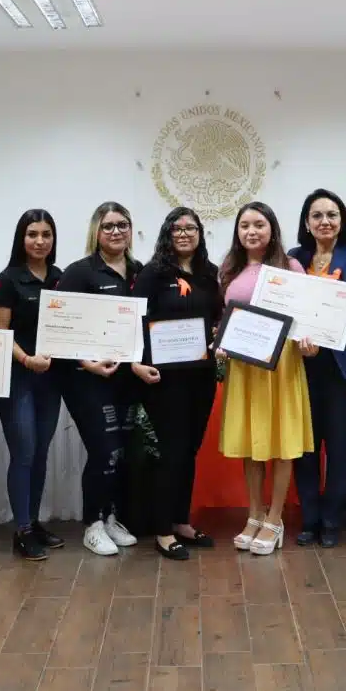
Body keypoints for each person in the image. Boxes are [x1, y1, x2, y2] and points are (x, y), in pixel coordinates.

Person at [219, 202, 317, 556]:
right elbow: (225, 321)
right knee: (252, 443)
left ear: (272, 229)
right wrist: (221, 343)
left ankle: (275, 519)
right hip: (244, 370)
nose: (251, 231)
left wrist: (310, 345)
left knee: (281, 442)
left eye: (259, 224)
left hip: (283, 367)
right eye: (244, 225)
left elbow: (307, 322)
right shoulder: (229, 269)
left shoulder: (290, 267)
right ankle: (254, 514)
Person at [287, 189, 346, 548]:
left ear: (342, 221)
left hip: (342, 370)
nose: (325, 222)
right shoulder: (294, 259)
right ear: (307, 224)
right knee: (305, 448)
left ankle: (331, 521)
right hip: (300, 368)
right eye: (317, 216)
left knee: (339, 450)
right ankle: (309, 519)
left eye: (332, 215)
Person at [131, 207, 223, 560]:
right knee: (172, 451)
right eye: (177, 228)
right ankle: (163, 530)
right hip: (163, 378)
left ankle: (181, 520)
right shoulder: (152, 273)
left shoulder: (208, 273)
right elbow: (134, 319)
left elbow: (215, 317)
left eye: (191, 228)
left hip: (200, 375)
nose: (184, 233)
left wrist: (218, 333)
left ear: (200, 233)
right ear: (167, 234)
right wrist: (137, 363)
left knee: (189, 450)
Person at [57, 202, 143, 556]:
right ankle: (92, 524)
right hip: (86, 380)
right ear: (96, 231)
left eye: (122, 224)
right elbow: (59, 327)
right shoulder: (79, 273)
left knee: (119, 453)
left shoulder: (139, 271)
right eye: (108, 226)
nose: (116, 232)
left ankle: (109, 518)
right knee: (103, 451)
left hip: (125, 378)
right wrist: (86, 362)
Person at [0, 209, 66, 561]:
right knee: (24, 451)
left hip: (51, 380)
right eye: (32, 234)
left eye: (46, 234)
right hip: (17, 377)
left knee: (40, 452)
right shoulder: (7, 280)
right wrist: (26, 360)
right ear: (22, 239)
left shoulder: (60, 278)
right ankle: (21, 530)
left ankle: (33, 522)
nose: (39, 241)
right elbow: (1, 334)